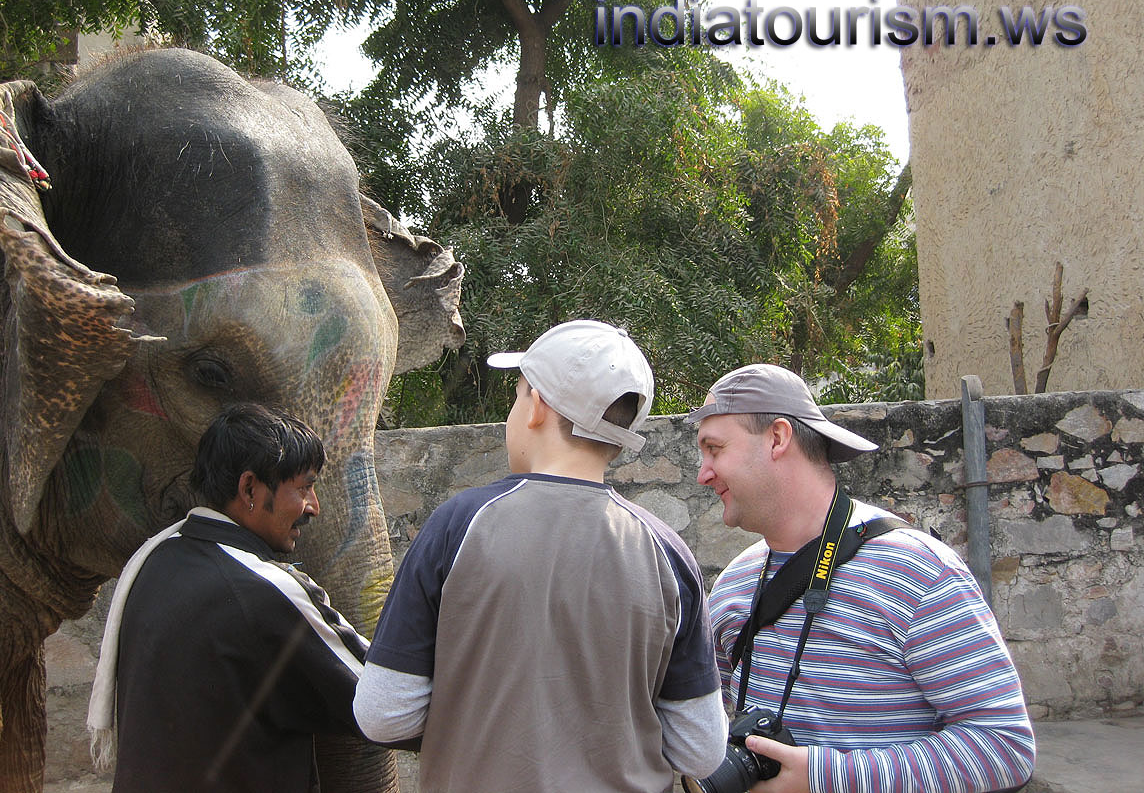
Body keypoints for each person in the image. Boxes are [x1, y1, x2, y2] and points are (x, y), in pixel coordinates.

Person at [353, 319, 728, 791]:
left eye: (516, 395)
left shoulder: (458, 524)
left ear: (537, 406)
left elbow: (382, 715)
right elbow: (701, 749)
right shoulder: (668, 553)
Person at [686, 363, 1035, 793]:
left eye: (714, 449)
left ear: (777, 438)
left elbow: (1005, 746)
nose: (703, 473)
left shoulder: (916, 572)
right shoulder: (733, 586)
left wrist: (821, 777)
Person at [86, 403, 369, 793]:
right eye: (304, 487)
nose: (313, 507)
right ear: (249, 488)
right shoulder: (265, 589)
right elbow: (380, 698)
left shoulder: (154, 562)